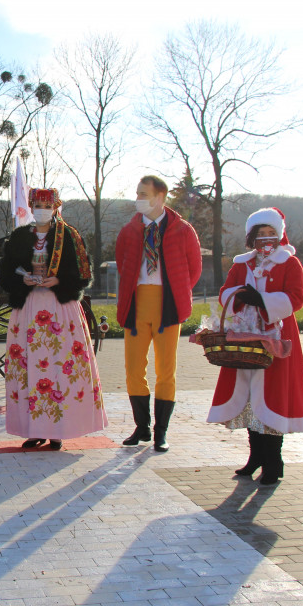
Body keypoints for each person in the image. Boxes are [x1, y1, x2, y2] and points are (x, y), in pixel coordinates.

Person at [207, 207, 303, 486]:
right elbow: (225, 292)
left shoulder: (290, 263)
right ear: (251, 238)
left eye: (271, 234)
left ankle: (273, 462)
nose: (266, 240)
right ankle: (255, 457)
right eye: (260, 234)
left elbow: (296, 298)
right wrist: (242, 295)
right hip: (246, 336)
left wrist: (264, 302)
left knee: (273, 395)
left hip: (277, 338)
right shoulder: (242, 264)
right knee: (251, 399)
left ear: (279, 236)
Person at [0, 188, 107, 449]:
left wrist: (59, 279)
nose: (41, 210)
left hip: (61, 309)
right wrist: (21, 279)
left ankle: (58, 429)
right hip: (28, 308)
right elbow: (5, 272)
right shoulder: (18, 237)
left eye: (46, 206)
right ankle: (34, 429)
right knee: (30, 368)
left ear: (56, 207)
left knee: (59, 366)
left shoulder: (69, 235)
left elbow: (83, 273)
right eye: (36, 205)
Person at [116, 175, 202, 452]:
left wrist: (177, 293)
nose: (139, 199)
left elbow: (194, 269)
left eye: (144, 194)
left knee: (166, 370)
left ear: (160, 197)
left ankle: (160, 433)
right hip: (137, 302)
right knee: (133, 369)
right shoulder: (129, 231)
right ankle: (141, 428)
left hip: (167, 304)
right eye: (138, 193)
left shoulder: (183, 230)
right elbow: (122, 263)